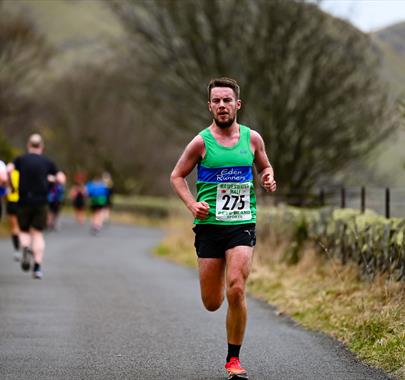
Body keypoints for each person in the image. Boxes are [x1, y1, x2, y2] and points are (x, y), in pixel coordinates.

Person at [170, 77, 276, 379]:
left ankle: (233, 359)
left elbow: (265, 166)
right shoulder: (201, 142)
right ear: (209, 106)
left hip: (241, 223)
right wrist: (192, 205)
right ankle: (217, 292)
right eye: (216, 101)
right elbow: (177, 176)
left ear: (237, 104)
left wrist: (268, 176)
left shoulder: (252, 139)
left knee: (237, 288)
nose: (222, 105)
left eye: (227, 100)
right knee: (212, 302)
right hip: (209, 227)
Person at [7, 134, 66, 279]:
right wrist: (52, 182)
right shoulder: (48, 162)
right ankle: (37, 267)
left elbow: (7, 170)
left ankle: (26, 248)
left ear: (28, 146)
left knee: (24, 231)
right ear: (42, 147)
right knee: (38, 234)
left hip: (23, 200)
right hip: (41, 201)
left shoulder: (20, 160)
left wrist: (12, 185)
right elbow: (61, 178)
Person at [6, 168, 21, 261]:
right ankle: (26, 245)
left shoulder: (9, 172)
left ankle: (17, 250)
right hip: (23, 202)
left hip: (11, 202)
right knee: (24, 227)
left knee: (14, 227)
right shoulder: (24, 171)